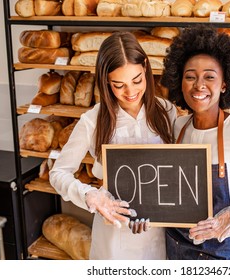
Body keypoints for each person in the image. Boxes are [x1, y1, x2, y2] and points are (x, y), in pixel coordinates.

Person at [49, 31, 177, 259]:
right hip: (114, 232)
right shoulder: (93, 120)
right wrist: (90, 195)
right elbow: (58, 173)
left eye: (137, 80)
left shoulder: (167, 111)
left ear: (146, 67)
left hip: (158, 230)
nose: (130, 92)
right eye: (119, 85)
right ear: (106, 81)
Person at [160, 24, 230, 260]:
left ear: (224, 84)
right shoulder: (178, 128)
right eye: (190, 76)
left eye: (209, 77)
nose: (199, 85)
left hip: (219, 252)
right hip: (175, 246)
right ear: (180, 82)